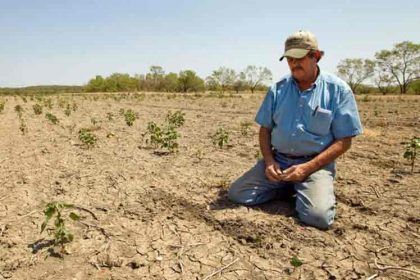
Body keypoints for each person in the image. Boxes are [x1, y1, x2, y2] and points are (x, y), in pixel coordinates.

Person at [228, 30, 363, 230]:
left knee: (318, 218)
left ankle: (307, 188)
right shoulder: (278, 89)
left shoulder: (338, 90)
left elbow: (344, 141)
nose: (293, 63)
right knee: (237, 193)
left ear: (316, 56)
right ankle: (287, 187)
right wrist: (269, 161)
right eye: (289, 58)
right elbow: (265, 129)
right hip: (279, 161)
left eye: (299, 57)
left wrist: (306, 169)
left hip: (314, 165)